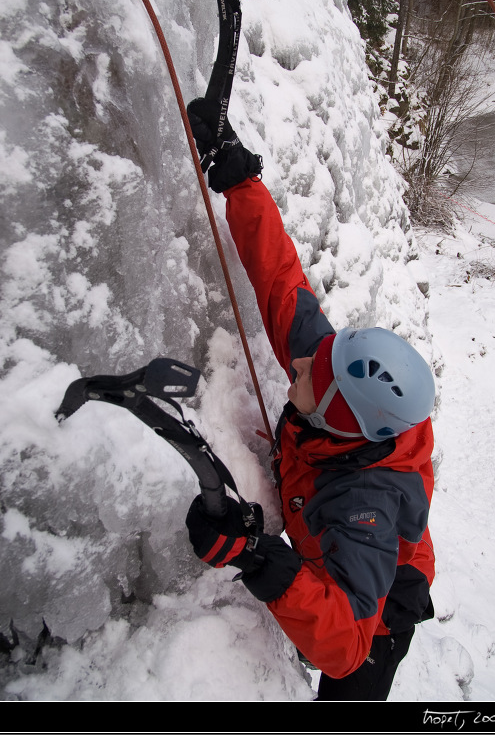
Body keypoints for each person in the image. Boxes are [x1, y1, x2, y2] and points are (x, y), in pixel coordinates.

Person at [184, 98, 436, 701]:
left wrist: (258, 560)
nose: (297, 362)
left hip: (380, 604)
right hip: (346, 560)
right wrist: (239, 178)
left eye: (307, 375)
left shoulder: (360, 506)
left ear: (337, 419)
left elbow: (346, 643)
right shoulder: (340, 383)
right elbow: (281, 284)